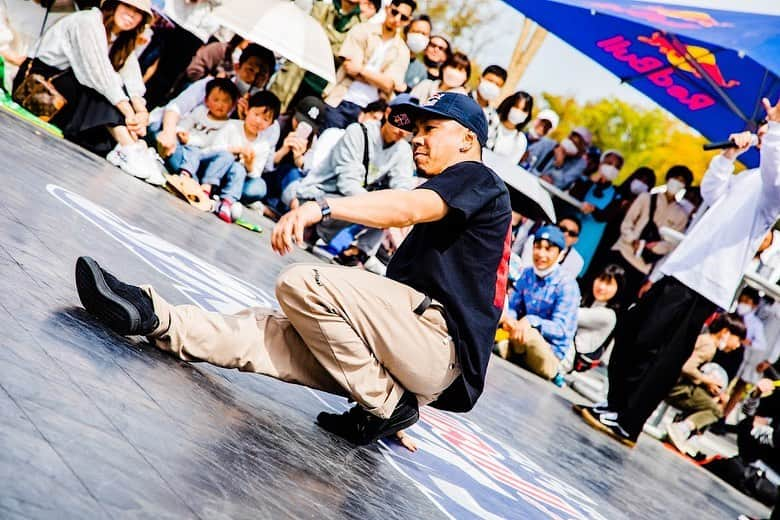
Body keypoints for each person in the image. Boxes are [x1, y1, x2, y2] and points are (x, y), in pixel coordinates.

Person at [74, 92, 512, 446]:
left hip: (434, 350)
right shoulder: (461, 197)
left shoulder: (477, 177)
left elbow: (404, 208)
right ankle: (155, 316)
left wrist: (321, 208)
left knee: (305, 283)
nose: (417, 138)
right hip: (404, 357)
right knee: (264, 336)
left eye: (430, 129)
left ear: (467, 139)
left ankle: (384, 401)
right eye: (414, 130)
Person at [577, 98, 780, 448]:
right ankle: (616, 405)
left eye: (768, 124)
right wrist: (728, 156)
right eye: (765, 122)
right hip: (683, 269)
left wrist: (776, 127)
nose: (762, 127)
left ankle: (628, 420)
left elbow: (774, 175)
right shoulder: (748, 177)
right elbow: (712, 193)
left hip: (706, 282)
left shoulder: (772, 188)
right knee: (631, 330)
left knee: (661, 354)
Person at [12, 0, 162, 177]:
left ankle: (132, 146)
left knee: (102, 129)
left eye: (137, 12)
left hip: (72, 88)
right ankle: (129, 146)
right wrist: (129, 112)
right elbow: (98, 75)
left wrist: (141, 112)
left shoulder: (122, 39)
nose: (131, 15)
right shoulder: (88, 21)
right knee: (103, 91)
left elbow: (132, 78)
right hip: (40, 84)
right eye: (127, 6)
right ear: (114, 5)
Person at [287, 96, 416, 265]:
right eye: (401, 121)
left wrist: (392, 209)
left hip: (354, 201)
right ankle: (315, 231)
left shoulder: (404, 150)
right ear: (388, 113)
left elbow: (403, 190)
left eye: (409, 126)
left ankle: (357, 253)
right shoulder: (358, 131)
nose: (403, 131)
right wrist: (380, 206)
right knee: (381, 208)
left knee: (392, 211)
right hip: (320, 193)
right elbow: (347, 183)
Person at [152, 44, 278, 160]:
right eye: (250, 70)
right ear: (237, 67)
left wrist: (244, 123)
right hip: (183, 134)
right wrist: (168, 133)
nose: (253, 78)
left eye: (261, 75)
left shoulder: (264, 114)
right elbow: (176, 107)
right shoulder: (211, 85)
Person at [497, 225, 581, 385]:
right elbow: (514, 307)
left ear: (561, 255)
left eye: (548, 249)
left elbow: (561, 329)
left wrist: (531, 321)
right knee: (495, 341)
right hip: (519, 338)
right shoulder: (527, 274)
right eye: (537, 247)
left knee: (529, 335)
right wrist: (511, 320)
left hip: (550, 353)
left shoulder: (567, 285)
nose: (541, 254)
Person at [603, 165, 692, 306]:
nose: (677, 182)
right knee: (601, 289)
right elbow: (627, 223)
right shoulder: (646, 198)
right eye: (675, 178)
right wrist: (632, 239)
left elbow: (672, 244)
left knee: (618, 303)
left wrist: (654, 247)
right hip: (622, 252)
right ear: (668, 179)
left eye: (681, 181)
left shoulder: (681, 215)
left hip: (642, 266)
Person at [320, 0, 414, 131]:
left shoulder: (403, 50)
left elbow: (389, 85)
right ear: (387, 9)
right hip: (340, 99)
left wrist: (360, 69)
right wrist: (378, 79)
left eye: (403, 17)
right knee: (324, 145)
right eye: (394, 12)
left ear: (408, 21)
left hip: (371, 112)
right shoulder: (363, 30)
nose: (397, 19)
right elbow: (349, 67)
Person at [665, 312, 747, 452]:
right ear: (725, 332)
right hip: (677, 388)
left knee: (710, 401)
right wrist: (707, 380)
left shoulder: (707, 341)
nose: (737, 346)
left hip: (679, 385)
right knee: (715, 411)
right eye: (737, 340)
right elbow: (687, 367)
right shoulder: (709, 346)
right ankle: (682, 428)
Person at [270, 0, 363, 113]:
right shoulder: (322, 5)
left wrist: (324, 40)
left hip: (321, 89)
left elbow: (345, 56)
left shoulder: (362, 25)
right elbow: (309, 37)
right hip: (292, 78)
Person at [203, 91, 282, 223]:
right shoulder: (232, 126)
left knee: (257, 185)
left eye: (265, 119)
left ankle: (227, 201)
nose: (258, 121)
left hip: (236, 178)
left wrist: (249, 165)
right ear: (247, 110)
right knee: (227, 158)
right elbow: (213, 150)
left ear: (271, 124)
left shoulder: (263, 145)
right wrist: (234, 150)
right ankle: (208, 189)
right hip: (215, 170)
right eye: (256, 114)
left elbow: (255, 175)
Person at [164, 77, 240, 195]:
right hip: (187, 147)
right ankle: (187, 177)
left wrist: (190, 139)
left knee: (226, 156)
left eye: (225, 101)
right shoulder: (200, 111)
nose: (220, 104)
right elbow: (186, 122)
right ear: (206, 100)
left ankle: (206, 183)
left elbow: (210, 142)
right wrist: (181, 131)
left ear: (233, 105)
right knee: (183, 148)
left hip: (205, 152)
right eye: (216, 100)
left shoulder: (228, 125)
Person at [584, 167, 657, 282]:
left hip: (620, 247)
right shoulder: (615, 192)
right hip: (599, 238)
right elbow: (602, 215)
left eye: (646, 182)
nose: (641, 184)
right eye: (640, 179)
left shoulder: (646, 207)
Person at [257, 96, 327, 216]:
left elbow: (309, 172)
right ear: (294, 114)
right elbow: (261, 164)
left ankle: (290, 211)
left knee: (293, 172)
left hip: (289, 184)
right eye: (299, 122)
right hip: (267, 177)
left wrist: (299, 158)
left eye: (307, 127)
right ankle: (288, 212)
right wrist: (283, 150)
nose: (301, 127)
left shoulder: (312, 139)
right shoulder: (278, 125)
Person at [567, 150, 625, 275]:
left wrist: (593, 210)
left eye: (616, 166)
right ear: (601, 163)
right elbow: (573, 196)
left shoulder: (616, 194)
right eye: (609, 163)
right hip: (569, 231)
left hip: (588, 239)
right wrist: (592, 179)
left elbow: (606, 216)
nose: (612, 168)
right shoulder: (585, 181)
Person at [566, 264, 625, 372]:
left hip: (566, 359)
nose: (602, 286)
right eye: (601, 279)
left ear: (618, 288)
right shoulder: (586, 302)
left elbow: (569, 314)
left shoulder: (608, 315)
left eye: (608, 283)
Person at [723, 287, 770, 418]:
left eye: (747, 301)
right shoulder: (731, 314)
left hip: (739, 357)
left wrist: (747, 342)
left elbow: (761, 344)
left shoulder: (755, 324)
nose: (743, 303)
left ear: (754, 305)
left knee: (732, 388)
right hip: (723, 353)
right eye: (741, 300)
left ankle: (721, 416)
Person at [515, 216, 585, 281]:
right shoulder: (534, 240)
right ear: (555, 227)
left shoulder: (577, 261)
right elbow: (526, 268)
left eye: (572, 233)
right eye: (563, 229)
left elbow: (563, 283)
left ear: (576, 240)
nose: (565, 234)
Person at [485, 91, 533, 164]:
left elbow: (510, 166)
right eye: (516, 107)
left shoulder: (520, 140)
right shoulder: (490, 120)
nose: (518, 112)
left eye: (524, 110)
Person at [470, 65, 507, 142]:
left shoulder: (494, 118)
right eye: (490, 81)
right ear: (480, 79)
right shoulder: (461, 98)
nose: (492, 86)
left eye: (497, 84)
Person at [401, 14, 431, 91]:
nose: (420, 37)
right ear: (406, 32)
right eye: (416, 32)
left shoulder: (421, 71)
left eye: (424, 34)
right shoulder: (391, 53)